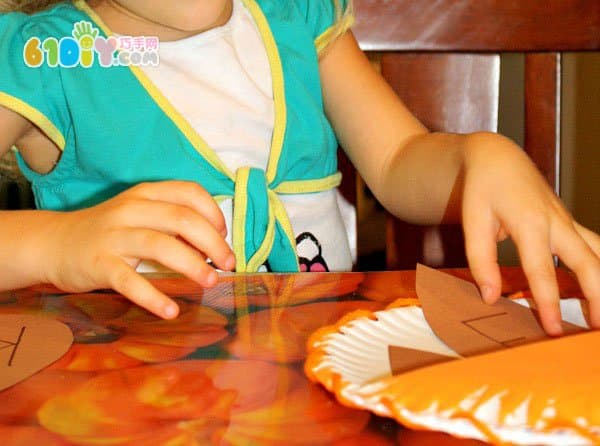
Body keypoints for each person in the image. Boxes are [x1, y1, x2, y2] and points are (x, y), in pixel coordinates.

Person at [0, 0, 598, 336]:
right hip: (130, 409)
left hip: (329, 381)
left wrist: (479, 158)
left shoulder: (296, 20)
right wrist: (56, 244)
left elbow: (396, 161)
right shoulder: (45, 57)